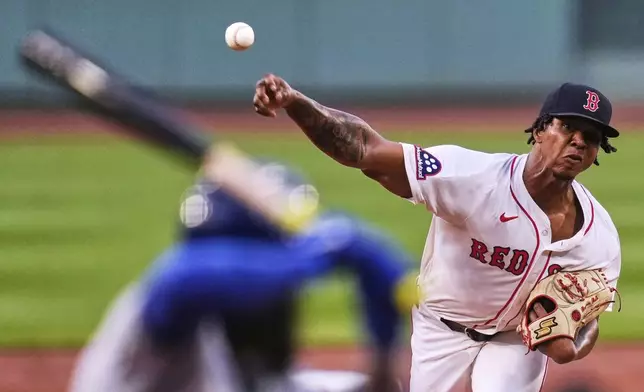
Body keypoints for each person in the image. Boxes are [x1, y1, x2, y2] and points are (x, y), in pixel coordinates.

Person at [252, 76, 622, 392]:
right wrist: (296, 103)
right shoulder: (473, 178)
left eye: (590, 137)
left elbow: (590, 316)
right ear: (541, 129)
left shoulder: (598, 236)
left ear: (595, 152)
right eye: (567, 127)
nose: (577, 141)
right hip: (442, 327)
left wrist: (574, 345)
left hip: (515, 340)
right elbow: (366, 149)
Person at [68, 143, 416, 392]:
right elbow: (185, 279)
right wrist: (320, 252)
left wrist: (383, 365)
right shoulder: (153, 336)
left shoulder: (266, 374)